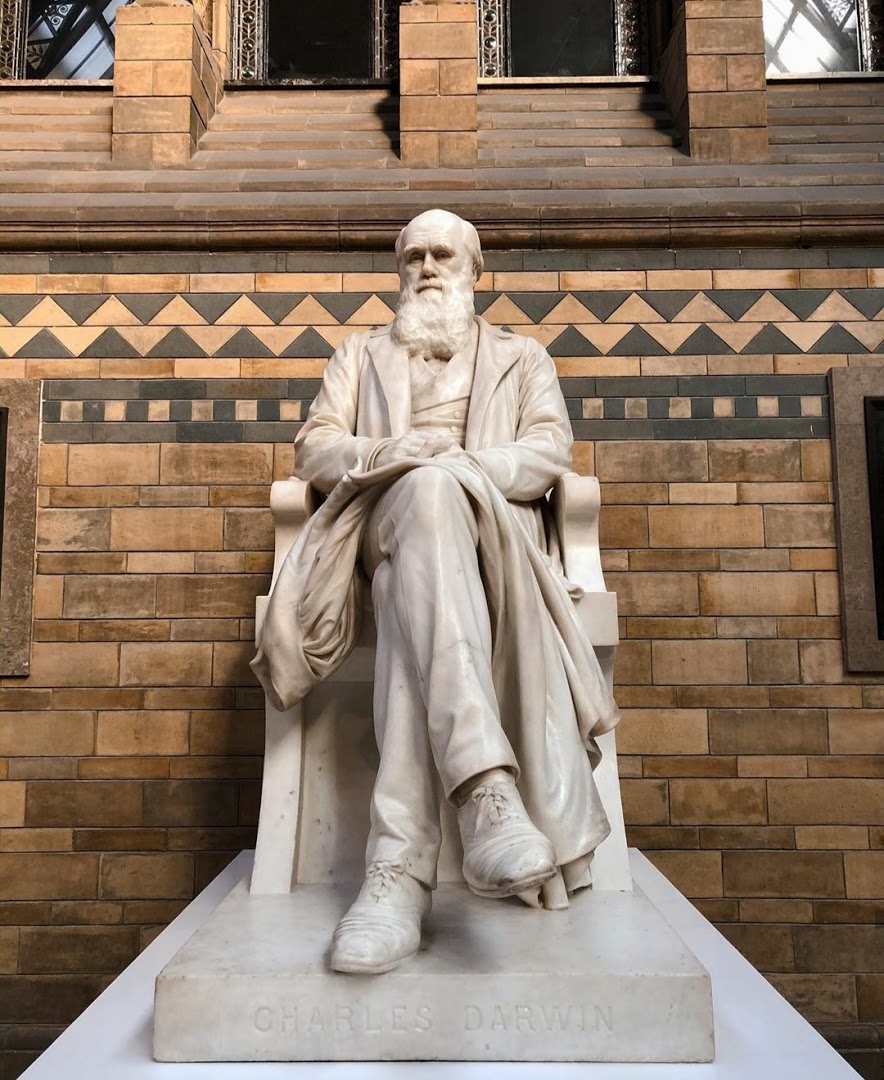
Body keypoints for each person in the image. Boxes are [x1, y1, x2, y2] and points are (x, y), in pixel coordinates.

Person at [251, 209, 619, 975]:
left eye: (442, 254)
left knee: (409, 577)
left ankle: (396, 878)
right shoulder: (360, 355)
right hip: (380, 527)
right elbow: (316, 446)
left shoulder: (522, 358)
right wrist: (400, 453)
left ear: (473, 270)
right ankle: (485, 793)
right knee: (420, 496)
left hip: (489, 542)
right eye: (412, 255)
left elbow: (549, 449)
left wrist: (462, 471)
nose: (426, 267)